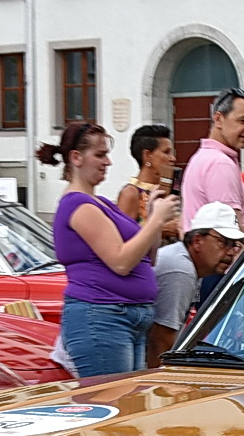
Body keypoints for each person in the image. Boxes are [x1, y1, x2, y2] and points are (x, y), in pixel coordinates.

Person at [47, 121, 177, 377]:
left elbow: (147, 258)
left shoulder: (102, 203)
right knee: (114, 403)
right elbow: (120, 261)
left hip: (127, 316)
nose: (107, 162)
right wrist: (155, 221)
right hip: (102, 316)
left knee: (129, 405)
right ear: (76, 158)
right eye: (100, 154)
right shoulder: (78, 205)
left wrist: (151, 217)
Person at [148, 201, 244, 368]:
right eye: (223, 242)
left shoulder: (190, 265)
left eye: (234, 245)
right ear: (197, 241)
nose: (231, 252)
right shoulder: (181, 269)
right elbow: (161, 338)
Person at [182, 88, 244, 236]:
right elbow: (232, 233)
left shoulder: (201, 157)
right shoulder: (220, 164)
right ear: (218, 119)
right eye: (243, 121)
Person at [116, 124, 176, 223]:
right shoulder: (130, 193)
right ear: (147, 156)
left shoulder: (166, 189)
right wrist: (162, 229)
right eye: (166, 152)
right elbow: (123, 233)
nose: (173, 159)